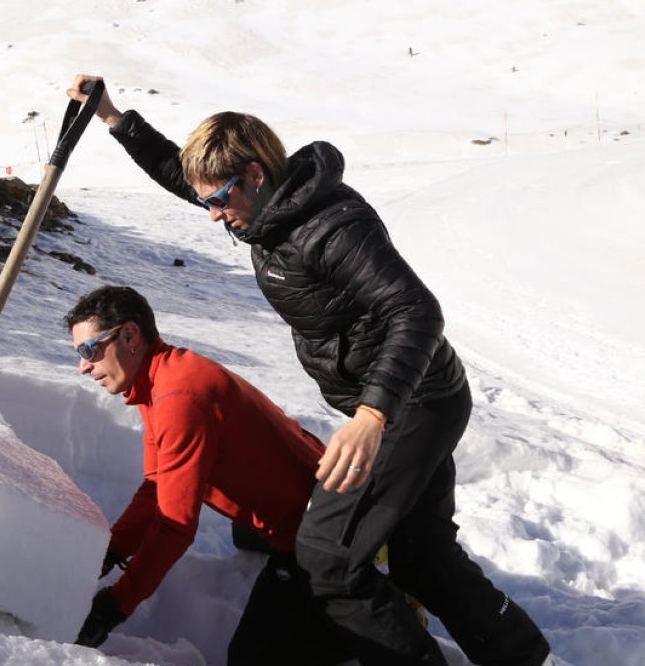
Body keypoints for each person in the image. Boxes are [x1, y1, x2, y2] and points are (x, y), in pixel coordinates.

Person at [66, 74, 552, 666]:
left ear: (256, 176)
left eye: (220, 199)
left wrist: (373, 414)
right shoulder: (259, 213)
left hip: (411, 400)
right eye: (207, 202)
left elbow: (416, 310)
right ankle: (528, 658)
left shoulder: (331, 226)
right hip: (390, 402)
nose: (214, 216)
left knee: (325, 552)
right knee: (422, 557)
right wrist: (116, 118)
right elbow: (179, 172)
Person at [66, 285, 349, 665]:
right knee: (243, 533)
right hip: (311, 500)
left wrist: (115, 606)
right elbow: (156, 487)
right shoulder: (161, 379)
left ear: (130, 336)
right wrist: (109, 552)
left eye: (89, 350)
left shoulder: (179, 399)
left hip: (319, 528)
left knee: (251, 657)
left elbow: (175, 526)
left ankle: (345, 616)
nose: (83, 366)